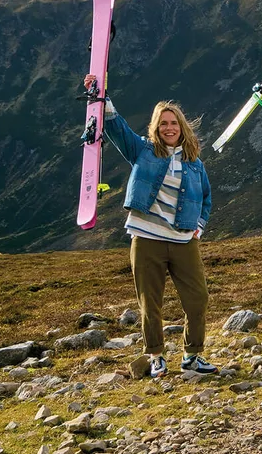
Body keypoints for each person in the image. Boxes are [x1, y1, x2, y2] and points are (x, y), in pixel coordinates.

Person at [84, 74, 218, 377]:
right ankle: (156, 356)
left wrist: (199, 225)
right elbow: (116, 127)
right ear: (156, 128)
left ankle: (192, 356)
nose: (168, 128)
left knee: (198, 299)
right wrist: (98, 92)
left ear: (181, 127)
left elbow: (206, 198)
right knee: (150, 303)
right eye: (163, 123)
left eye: (173, 123)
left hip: (184, 240)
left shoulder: (194, 161)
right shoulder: (142, 150)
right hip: (146, 240)